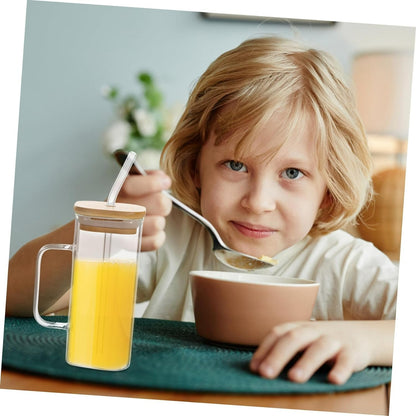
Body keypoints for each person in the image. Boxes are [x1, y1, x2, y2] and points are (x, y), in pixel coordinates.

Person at [6, 36, 397, 385]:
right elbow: (16, 297)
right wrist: (99, 232)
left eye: (292, 172)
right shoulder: (166, 238)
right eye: (235, 165)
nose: (258, 203)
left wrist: (360, 339)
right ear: (196, 166)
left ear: (327, 190)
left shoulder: (346, 265)